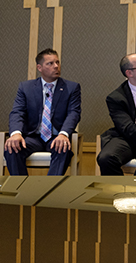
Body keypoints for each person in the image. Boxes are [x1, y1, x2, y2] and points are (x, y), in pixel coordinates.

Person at [4, 48, 81, 176]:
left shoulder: (71, 88)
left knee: (63, 148)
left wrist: (64, 134)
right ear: (39, 68)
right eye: (50, 63)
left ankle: (48, 190)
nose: (56, 66)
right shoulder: (26, 87)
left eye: (57, 62)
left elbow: (74, 113)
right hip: (33, 137)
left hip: (57, 137)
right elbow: (17, 112)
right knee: (12, 149)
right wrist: (16, 133)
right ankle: (23, 190)